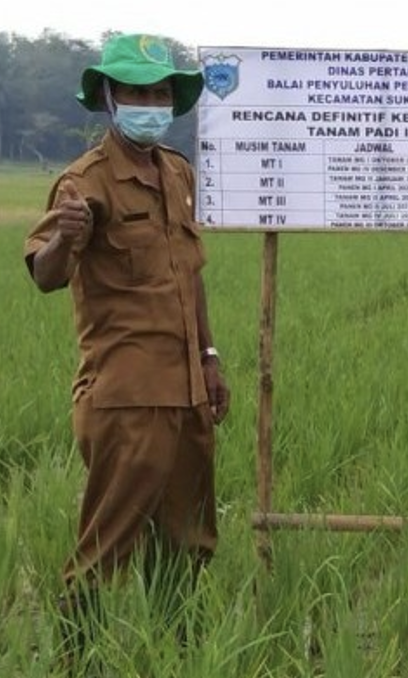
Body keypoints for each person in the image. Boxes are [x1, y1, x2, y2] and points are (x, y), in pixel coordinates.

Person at [23, 33, 230, 663]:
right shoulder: (84, 184)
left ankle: (178, 656)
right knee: (107, 547)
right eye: (136, 92)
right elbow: (46, 274)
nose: (150, 102)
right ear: (110, 99)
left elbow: (187, 275)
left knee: (189, 543)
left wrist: (211, 359)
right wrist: (65, 237)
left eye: (160, 93)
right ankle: (75, 660)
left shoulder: (178, 172)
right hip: (127, 398)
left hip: (188, 393)